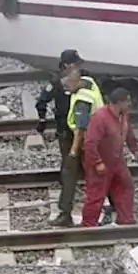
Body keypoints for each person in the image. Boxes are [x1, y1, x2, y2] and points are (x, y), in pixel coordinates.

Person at [50, 66, 105, 227]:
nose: (66, 91)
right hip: (100, 139)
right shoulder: (89, 82)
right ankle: (112, 210)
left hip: (87, 143)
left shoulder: (83, 99)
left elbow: (80, 129)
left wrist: (73, 152)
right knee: (100, 177)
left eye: (67, 86)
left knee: (71, 174)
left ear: (75, 81)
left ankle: (67, 214)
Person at [81, 88, 138, 228]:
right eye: (128, 101)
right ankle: (88, 225)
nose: (130, 104)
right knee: (96, 195)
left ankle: (126, 219)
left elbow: (128, 131)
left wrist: (134, 148)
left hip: (117, 160)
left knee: (126, 186)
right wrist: (97, 162)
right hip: (102, 161)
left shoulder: (123, 115)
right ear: (119, 102)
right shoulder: (100, 118)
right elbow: (90, 143)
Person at [37, 49, 88, 156]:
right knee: (69, 159)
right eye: (75, 64)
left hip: (83, 125)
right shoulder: (57, 82)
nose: (78, 67)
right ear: (66, 65)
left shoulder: (85, 77)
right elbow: (42, 101)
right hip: (64, 126)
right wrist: (42, 120)